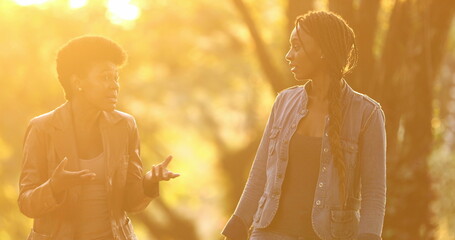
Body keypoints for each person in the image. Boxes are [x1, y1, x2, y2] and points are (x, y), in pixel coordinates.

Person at [222, 11, 386, 240]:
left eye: (297, 47)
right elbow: (259, 176)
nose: (289, 55)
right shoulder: (283, 102)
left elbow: (374, 193)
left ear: (322, 51)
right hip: (269, 233)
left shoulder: (367, 114)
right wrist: (236, 227)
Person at [18, 36, 180, 240]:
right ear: (78, 82)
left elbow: (130, 203)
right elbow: (26, 204)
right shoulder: (42, 128)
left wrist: (148, 182)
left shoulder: (125, 125)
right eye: (105, 77)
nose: (114, 86)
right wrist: (54, 187)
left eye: (116, 77)